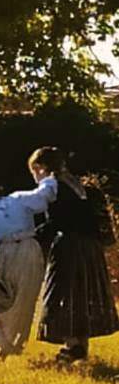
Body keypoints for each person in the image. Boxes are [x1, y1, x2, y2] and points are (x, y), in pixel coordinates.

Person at [30, 147, 119, 364]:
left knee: (63, 295)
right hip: (91, 249)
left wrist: (29, 237)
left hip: (69, 246)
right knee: (83, 295)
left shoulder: (55, 188)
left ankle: (71, 344)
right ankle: (80, 345)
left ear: (41, 168)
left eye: (34, 171)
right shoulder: (82, 186)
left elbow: (57, 222)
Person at [0, 174, 57, 359]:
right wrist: (49, 178)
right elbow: (42, 197)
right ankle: (11, 343)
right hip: (31, 250)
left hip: (9, 255)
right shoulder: (17, 199)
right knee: (25, 301)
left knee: (6, 297)